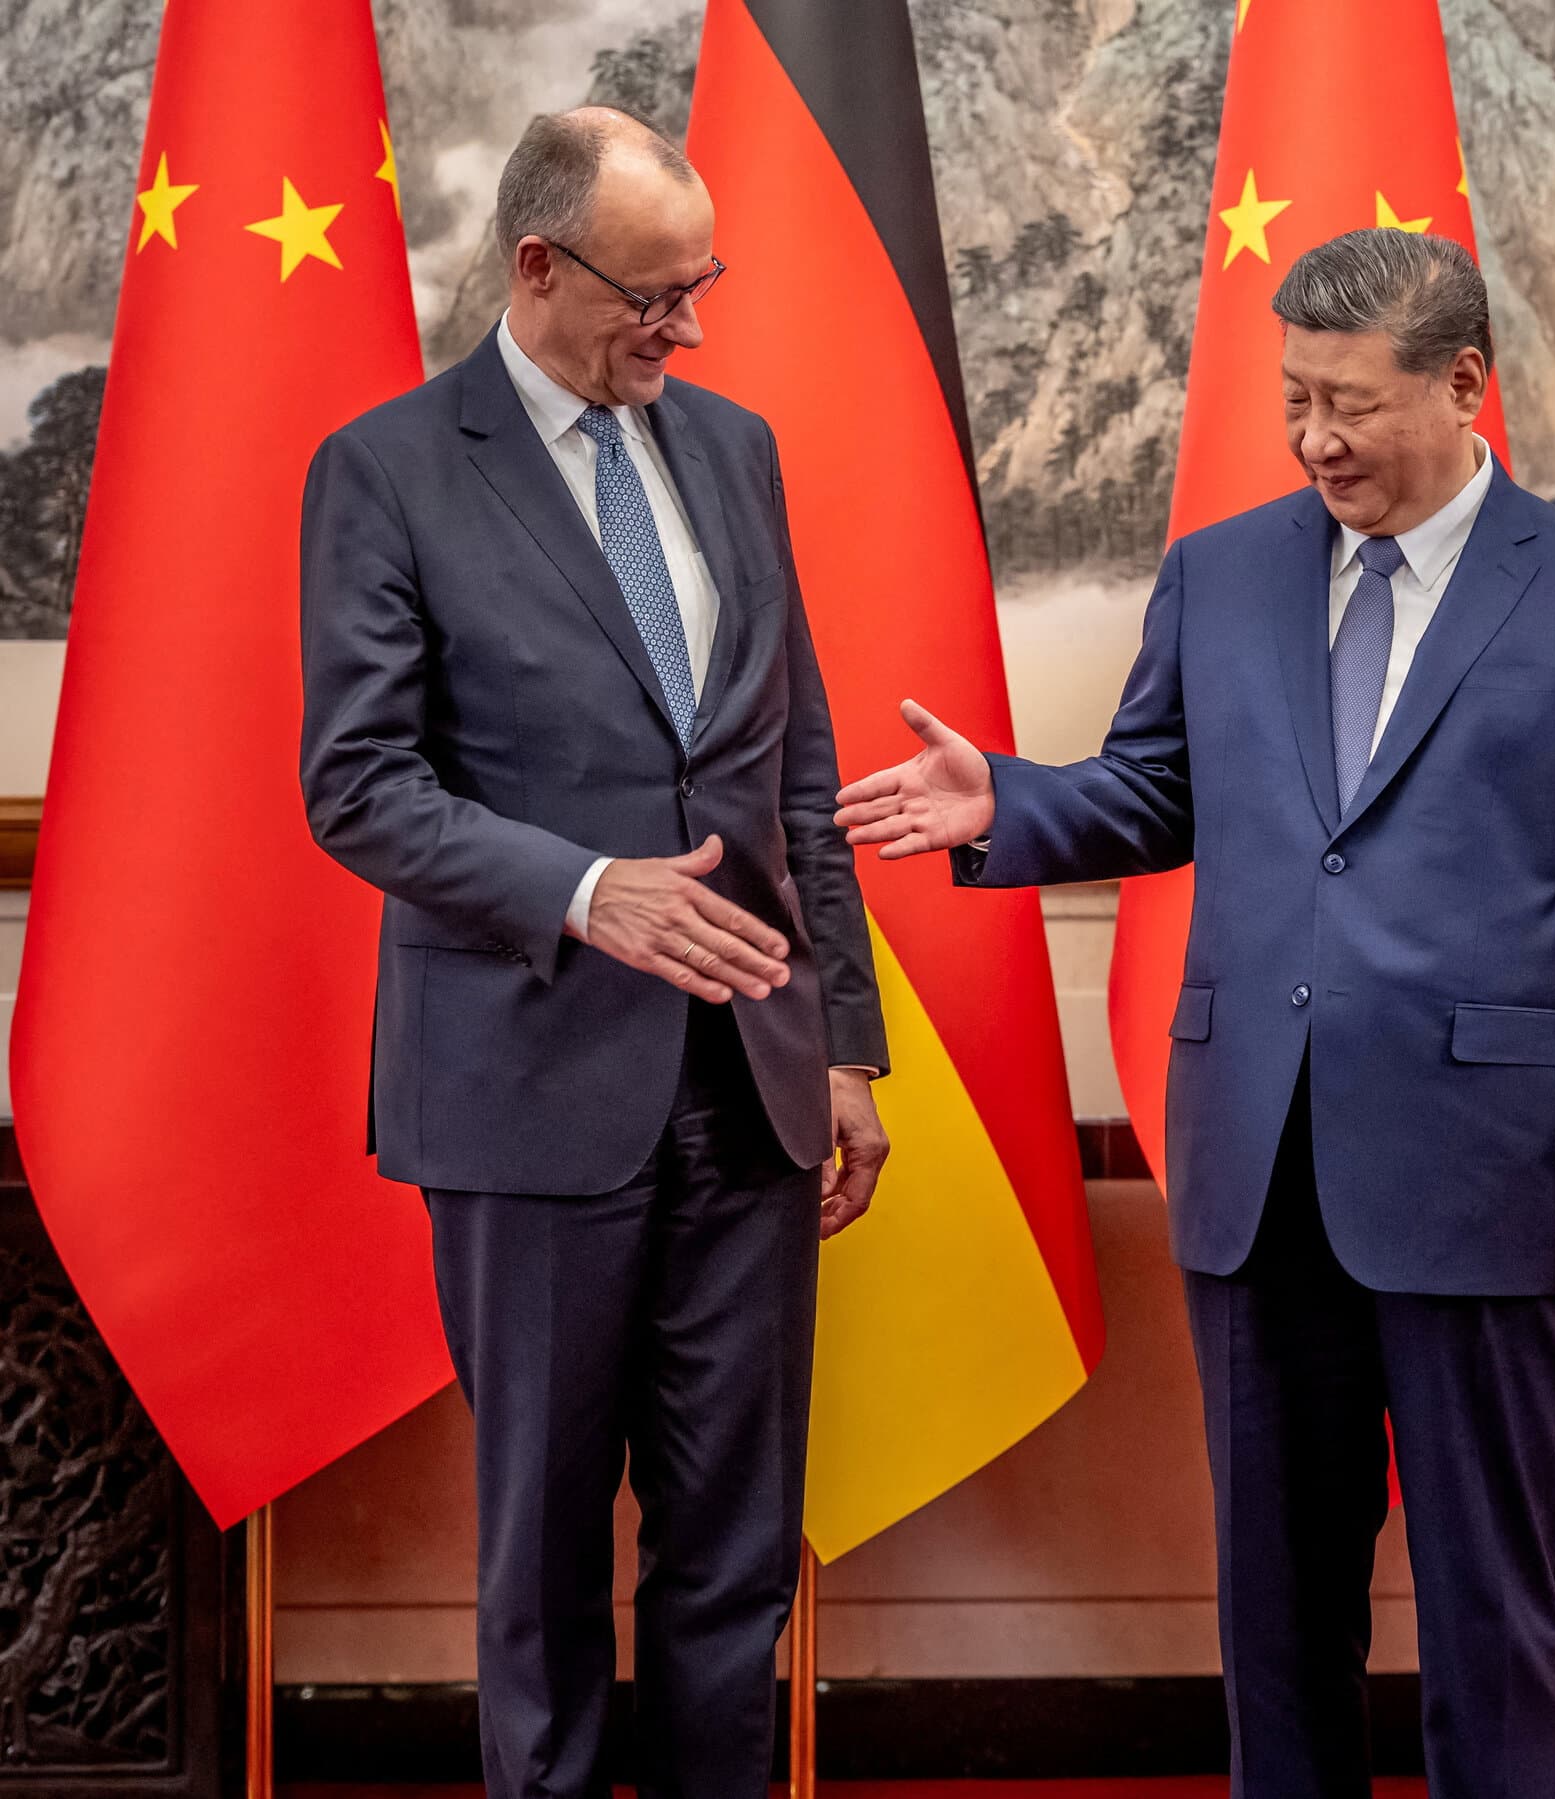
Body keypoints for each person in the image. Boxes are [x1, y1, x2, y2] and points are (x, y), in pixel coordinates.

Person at [836, 228, 1555, 1798]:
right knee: (1277, 1612)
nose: (1315, 440)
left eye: (1350, 405)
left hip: (1488, 1173)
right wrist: (1004, 805)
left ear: (1464, 385)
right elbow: (1156, 788)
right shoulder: (1223, 571)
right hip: (1258, 1168)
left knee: (1489, 1610)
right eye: (1294, 399)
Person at [299, 106, 889, 1799]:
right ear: (537, 267)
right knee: (545, 1562)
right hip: (531, 1090)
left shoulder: (734, 449)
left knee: (737, 1556)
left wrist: (842, 1042)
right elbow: (358, 785)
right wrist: (584, 888)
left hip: (752, 1094)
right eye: (653, 295)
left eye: (701, 287)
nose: (686, 328)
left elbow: (792, 766)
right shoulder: (390, 468)